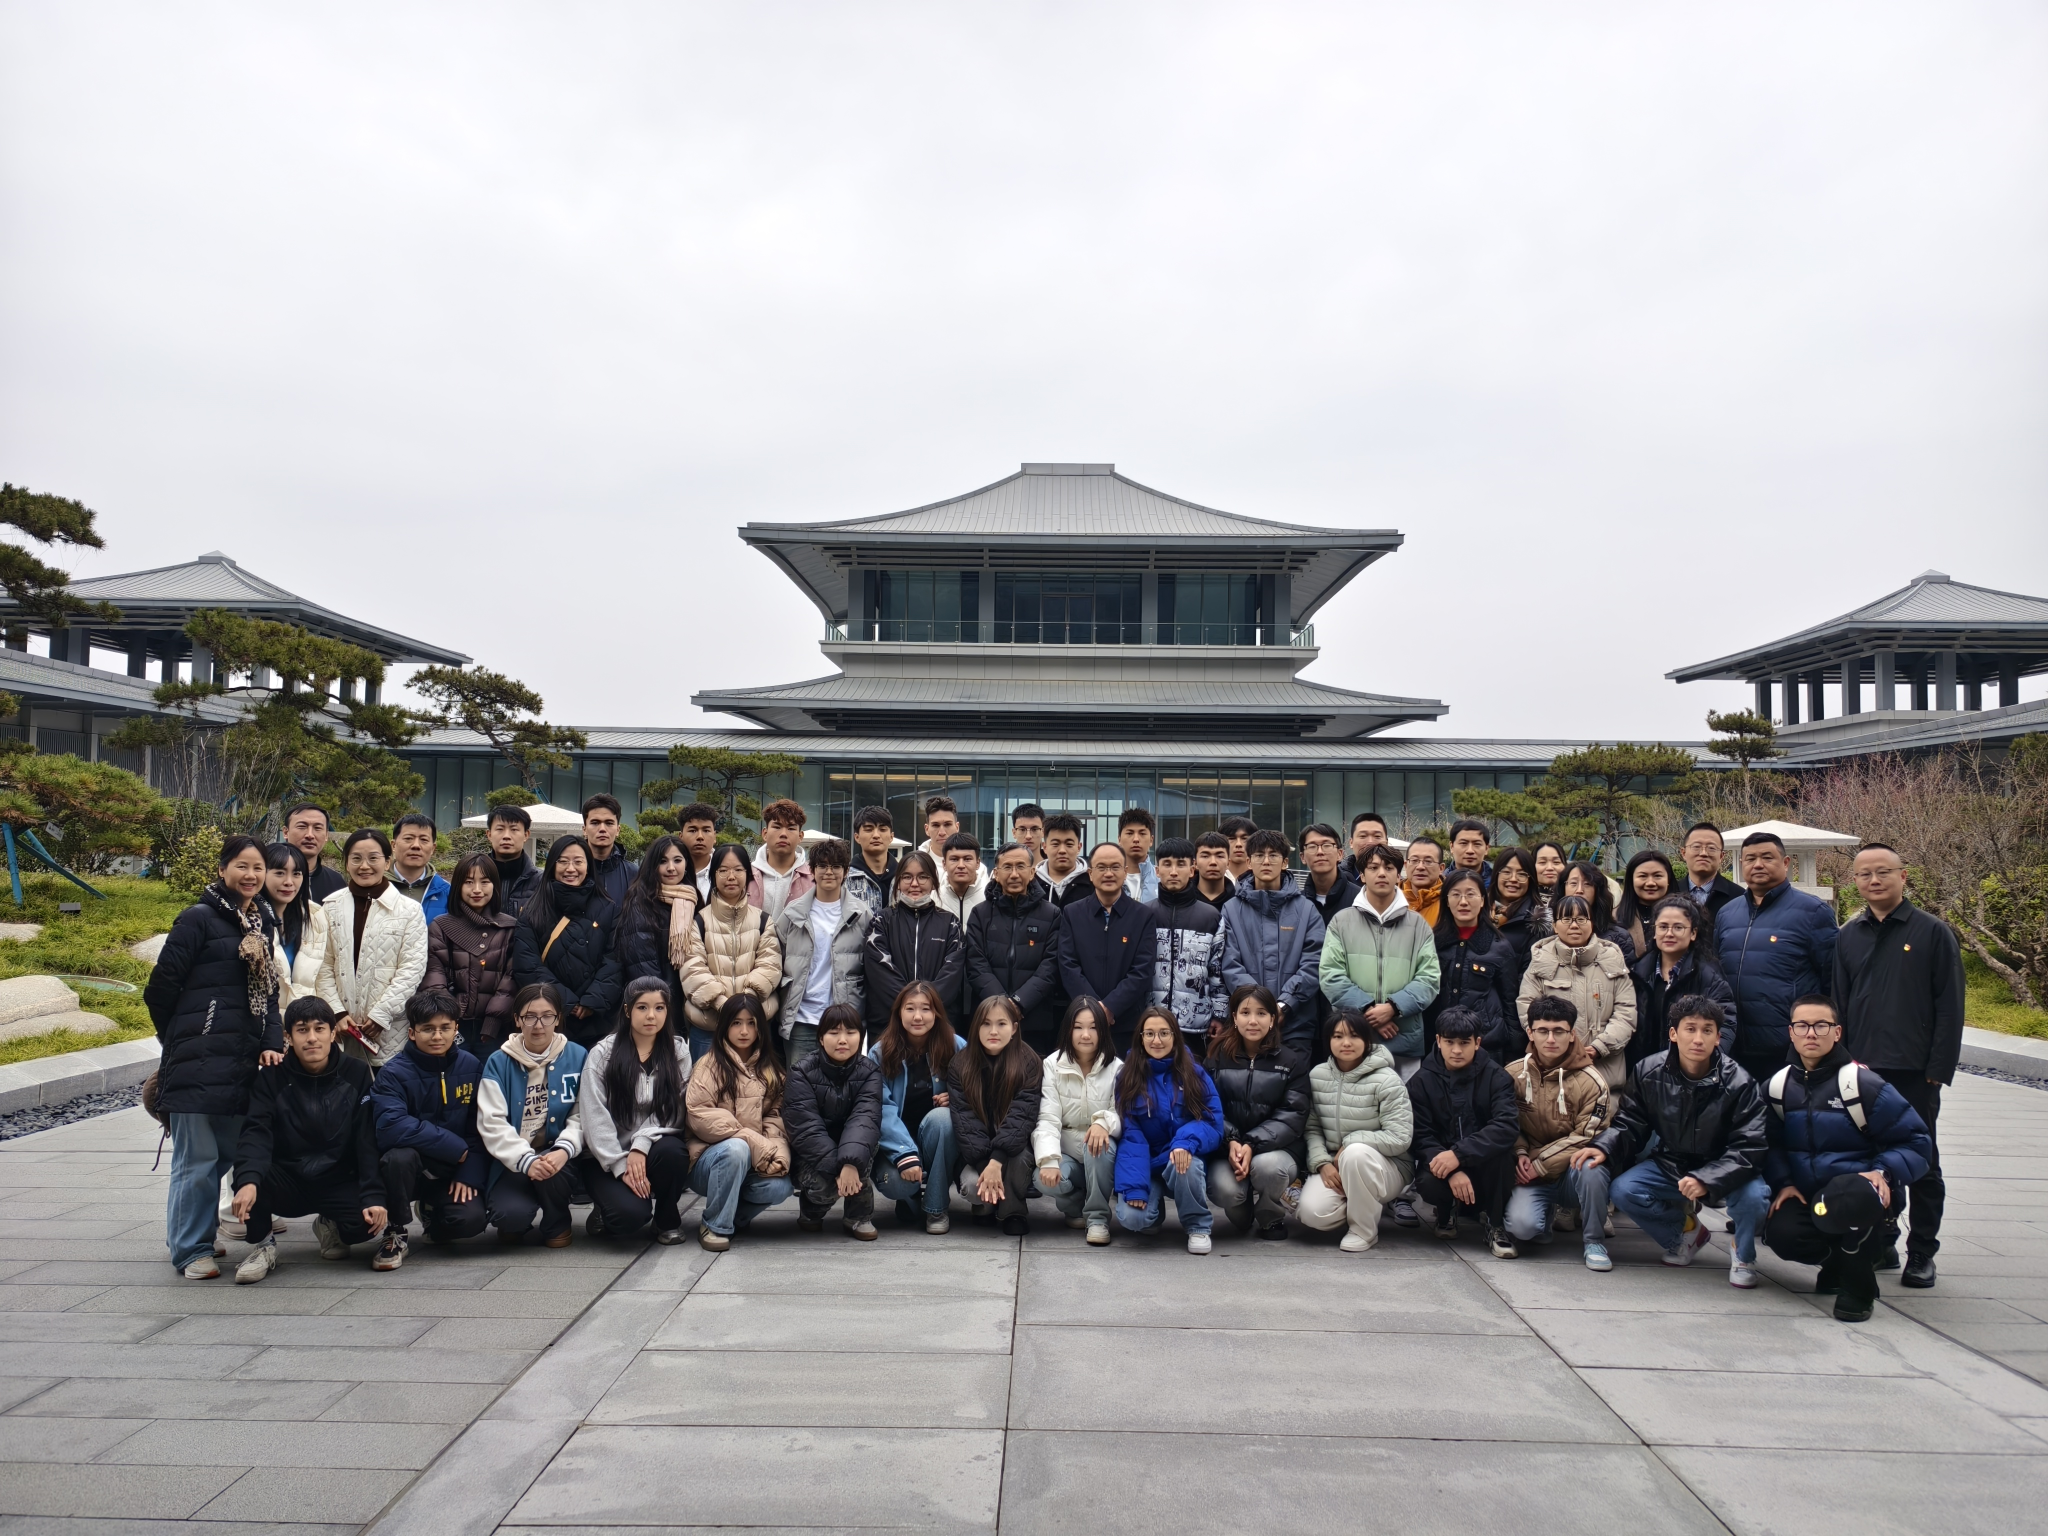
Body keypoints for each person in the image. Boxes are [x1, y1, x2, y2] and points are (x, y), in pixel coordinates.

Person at [146, 835, 286, 1278]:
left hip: (241, 1058)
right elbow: (160, 989)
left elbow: (269, 991)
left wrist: (272, 1039)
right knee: (197, 1159)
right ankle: (192, 1250)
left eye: (258, 868)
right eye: (242, 866)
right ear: (223, 869)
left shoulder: (260, 921)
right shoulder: (198, 918)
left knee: (226, 1152)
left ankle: (189, 1231)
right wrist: (184, 1037)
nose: (251, 875)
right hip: (199, 1058)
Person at [1834, 841, 1965, 1289]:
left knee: (1922, 1161)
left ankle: (1922, 1250)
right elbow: (1839, 1002)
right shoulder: (1849, 935)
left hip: (1914, 1071)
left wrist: (1938, 1070)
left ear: (1903, 876)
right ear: (1855, 880)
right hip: (1862, 1070)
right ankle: (1884, 1239)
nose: (1874, 880)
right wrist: (1841, 1063)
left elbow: (1950, 1006)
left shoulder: (1932, 932)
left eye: (1883, 872)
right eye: (1864, 874)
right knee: (1871, 1159)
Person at [1577, 994, 1772, 1286]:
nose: (1698, 1039)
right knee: (1624, 1190)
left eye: (1707, 1030)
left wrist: (1707, 1178)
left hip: (1727, 1166)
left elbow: (1750, 1147)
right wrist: (1604, 1146)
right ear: (1673, 1033)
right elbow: (1630, 1123)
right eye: (1690, 1028)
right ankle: (1686, 1233)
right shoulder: (1648, 1071)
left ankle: (1743, 1253)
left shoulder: (1740, 1082)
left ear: (1718, 1038)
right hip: (1673, 1162)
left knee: (1755, 1198)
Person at [1764, 995, 1933, 1321]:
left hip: (1863, 1195)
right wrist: (1783, 1183)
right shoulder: (1777, 1087)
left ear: (1837, 1032)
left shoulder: (1862, 1085)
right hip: (1812, 1198)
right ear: (1791, 1032)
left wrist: (1884, 1171)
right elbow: (1769, 1145)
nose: (1811, 1033)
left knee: (1853, 1198)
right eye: (1802, 1025)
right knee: (1781, 1233)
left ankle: (1859, 1288)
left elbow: (1918, 1141)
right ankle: (1839, 1263)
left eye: (1821, 1025)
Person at [228, 997, 387, 1283]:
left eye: (319, 1029)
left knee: (366, 1226)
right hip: (288, 1180)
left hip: (338, 1177)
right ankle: (264, 1246)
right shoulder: (271, 1078)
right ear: (288, 1037)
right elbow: (256, 1133)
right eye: (302, 1030)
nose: (312, 1038)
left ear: (332, 1033)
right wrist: (248, 1181)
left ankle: (330, 1223)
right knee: (250, 1178)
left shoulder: (356, 1072)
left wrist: (374, 1197)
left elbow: (366, 1139)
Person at [369, 989, 489, 1270]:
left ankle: (432, 1214)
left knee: (470, 1221)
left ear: (456, 1029)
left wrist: (468, 1173)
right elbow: (390, 1126)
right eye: (428, 1029)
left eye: (445, 1028)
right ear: (412, 1033)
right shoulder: (393, 1073)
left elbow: (480, 1126)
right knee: (398, 1157)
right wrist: (453, 1146)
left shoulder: (471, 1066)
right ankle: (395, 1231)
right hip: (410, 1167)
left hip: (453, 1167)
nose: (437, 1036)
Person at [1716, 830, 1839, 1084]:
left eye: (1767, 857)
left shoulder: (1813, 912)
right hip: (1733, 1045)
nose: (1758, 864)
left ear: (1785, 863)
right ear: (1741, 864)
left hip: (1787, 1048)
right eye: (1750, 859)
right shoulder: (1727, 913)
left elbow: (1832, 979)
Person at [1503, 997, 1615, 1270]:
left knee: (1591, 1165)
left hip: (1570, 1173)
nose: (1551, 1039)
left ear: (1572, 1034)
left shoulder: (1592, 1082)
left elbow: (1585, 1137)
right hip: (1531, 1171)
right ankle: (1543, 1220)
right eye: (1542, 1030)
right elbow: (1506, 1123)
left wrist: (1538, 1163)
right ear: (1530, 1032)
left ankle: (1594, 1242)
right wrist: (1520, 1152)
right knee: (1522, 1228)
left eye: (1559, 1031)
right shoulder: (1513, 1073)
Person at [1319, 843, 1441, 1087]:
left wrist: (1393, 1008)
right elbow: (1330, 976)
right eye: (1373, 868)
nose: (1381, 873)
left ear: (1399, 874)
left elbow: (1429, 979)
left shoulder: (1417, 925)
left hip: (1404, 1039)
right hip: (1352, 1036)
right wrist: (1369, 1009)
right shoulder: (1342, 922)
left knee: (1402, 1106)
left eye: (1388, 867)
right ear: (1362, 875)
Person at [583, 978, 694, 1244]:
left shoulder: (678, 1051)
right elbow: (594, 1116)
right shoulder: (603, 1054)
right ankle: (604, 1208)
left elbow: (674, 1110)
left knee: (674, 1152)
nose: (651, 1016)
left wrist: (640, 1146)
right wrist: (621, 1165)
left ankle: (666, 1220)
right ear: (627, 1010)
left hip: (652, 1148)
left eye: (659, 1008)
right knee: (628, 1218)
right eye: (642, 1007)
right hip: (606, 1157)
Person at [478, 983, 588, 1247]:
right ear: (517, 1019)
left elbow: (583, 1114)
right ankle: (520, 1211)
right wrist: (526, 1160)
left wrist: (563, 1149)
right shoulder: (498, 1062)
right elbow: (492, 1122)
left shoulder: (578, 1056)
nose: (538, 1025)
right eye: (529, 1016)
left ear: (558, 1018)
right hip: (515, 1157)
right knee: (509, 1220)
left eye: (547, 1016)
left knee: (553, 1169)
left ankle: (557, 1221)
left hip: (558, 1154)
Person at [1407, 1005, 1522, 1256]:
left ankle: (1495, 1223)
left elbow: (1505, 1126)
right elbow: (1420, 1135)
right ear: (1438, 1040)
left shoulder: (1497, 1077)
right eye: (1449, 1042)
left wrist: (1459, 1155)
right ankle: (1446, 1212)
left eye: (1464, 1042)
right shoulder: (1421, 1081)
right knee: (1428, 1181)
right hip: (1442, 1162)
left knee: (1503, 1157)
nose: (1456, 1050)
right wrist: (1451, 1169)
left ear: (1477, 1043)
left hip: (1483, 1162)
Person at [1297, 1007, 1413, 1252]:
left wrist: (1351, 1141)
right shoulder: (1317, 1075)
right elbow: (1312, 1128)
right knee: (1312, 1213)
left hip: (1387, 1167)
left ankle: (1363, 1231)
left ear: (1367, 1039)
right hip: (1336, 1165)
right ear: (1328, 1040)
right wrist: (1322, 1163)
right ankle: (1364, 1204)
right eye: (1338, 1036)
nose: (1346, 1043)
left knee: (1356, 1154)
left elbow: (1400, 1137)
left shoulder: (1387, 1079)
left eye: (1354, 1035)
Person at [1112, 1005, 1225, 1253]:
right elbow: (1131, 1134)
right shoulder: (1127, 1076)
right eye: (1149, 1034)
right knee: (1133, 1220)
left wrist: (1185, 1142)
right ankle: (1153, 1215)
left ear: (1175, 1036)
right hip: (1149, 1164)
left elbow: (1212, 1122)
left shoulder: (1194, 1073)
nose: (1157, 1040)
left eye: (1164, 1033)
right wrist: (1135, 1186)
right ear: (1140, 1038)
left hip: (1181, 1160)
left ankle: (1197, 1226)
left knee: (1186, 1163)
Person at [315, 829, 430, 1070]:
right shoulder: (330, 906)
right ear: (346, 863)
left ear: (387, 862)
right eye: (356, 858)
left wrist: (381, 1014)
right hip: (341, 1031)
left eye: (373, 858)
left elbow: (412, 969)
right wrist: (336, 1012)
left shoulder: (409, 910)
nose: (364, 866)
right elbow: (323, 965)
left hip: (389, 1033)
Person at [685, 992, 791, 1249]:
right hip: (707, 1162)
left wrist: (775, 1154)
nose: (744, 1031)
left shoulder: (772, 1071)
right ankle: (714, 1226)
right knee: (736, 1148)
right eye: (736, 1023)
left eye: (751, 1023)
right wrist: (749, 1138)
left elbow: (776, 1119)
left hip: (753, 1160)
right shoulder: (708, 1066)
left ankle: (733, 1216)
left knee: (780, 1187)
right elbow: (699, 1115)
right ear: (725, 1026)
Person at [1205, 983, 1308, 1240]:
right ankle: (1242, 1210)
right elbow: (1206, 1107)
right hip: (1227, 1149)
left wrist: (1251, 1143)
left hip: (1276, 1150)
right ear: (1234, 1018)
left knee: (1269, 1168)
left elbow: (1292, 1115)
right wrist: (1231, 1141)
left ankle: (1270, 1217)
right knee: (1226, 1191)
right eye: (1245, 1013)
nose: (1253, 1021)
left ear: (1273, 1019)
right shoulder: (1216, 1058)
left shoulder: (1291, 1061)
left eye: (1261, 1013)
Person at [511, 834, 624, 1050]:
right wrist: (565, 1002)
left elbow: (615, 960)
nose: (570, 868)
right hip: (549, 1019)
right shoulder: (533, 910)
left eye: (578, 861)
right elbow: (527, 965)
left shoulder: (608, 908)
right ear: (552, 865)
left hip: (598, 1020)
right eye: (563, 861)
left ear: (588, 866)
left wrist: (592, 1000)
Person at [1516, 894, 1636, 1092]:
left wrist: (1600, 1047)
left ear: (1592, 923)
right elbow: (1527, 1008)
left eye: (1581, 919)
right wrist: (1555, 1042)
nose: (1574, 925)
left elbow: (1626, 1012)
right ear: (1554, 926)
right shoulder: (1540, 961)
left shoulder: (1612, 959)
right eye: (1566, 919)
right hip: (1553, 1068)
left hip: (1604, 1072)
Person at [784, 1002, 883, 1239]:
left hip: (853, 1148)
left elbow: (864, 1119)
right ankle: (811, 1210)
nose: (842, 1040)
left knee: (865, 1146)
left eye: (850, 1032)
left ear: (860, 1037)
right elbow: (806, 1130)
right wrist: (840, 1168)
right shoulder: (801, 1072)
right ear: (820, 1038)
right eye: (834, 1032)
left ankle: (858, 1216)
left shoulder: (870, 1071)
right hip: (811, 1153)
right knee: (824, 1188)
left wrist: (850, 1164)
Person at [1219, 829, 1325, 1051]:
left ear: (1285, 862)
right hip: (1246, 1027)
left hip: (1295, 1025)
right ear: (1249, 862)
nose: (1266, 861)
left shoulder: (1307, 910)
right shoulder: (1231, 909)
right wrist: (1258, 1008)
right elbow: (1230, 963)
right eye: (1259, 855)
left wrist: (1284, 1004)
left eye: (1273, 855)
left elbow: (1314, 963)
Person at [870, 981, 962, 1233]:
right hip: (896, 1142)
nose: (918, 1016)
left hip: (938, 1139)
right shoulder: (880, 1052)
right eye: (910, 1008)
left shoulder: (956, 1046)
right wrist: (904, 1153)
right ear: (899, 1013)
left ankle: (936, 1206)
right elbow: (879, 1107)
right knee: (896, 1184)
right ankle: (909, 1199)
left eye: (926, 1009)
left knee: (942, 1118)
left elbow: (977, 1091)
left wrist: (956, 1097)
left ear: (937, 1013)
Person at [949, 996, 1043, 1235]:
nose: (993, 1031)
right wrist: (986, 1166)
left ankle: (1013, 1211)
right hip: (975, 1153)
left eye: (1001, 1024)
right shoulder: (960, 1064)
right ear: (976, 1027)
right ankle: (985, 1207)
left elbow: (1022, 1116)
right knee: (973, 1186)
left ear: (1014, 1028)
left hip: (1014, 1149)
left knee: (1020, 1160)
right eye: (986, 1023)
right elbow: (965, 1122)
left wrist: (997, 1161)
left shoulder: (1029, 1061)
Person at [680, 842, 781, 1060]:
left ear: (748, 874)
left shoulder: (763, 921)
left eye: (738, 870)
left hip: (753, 1026)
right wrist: (722, 1004)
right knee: (705, 1081)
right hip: (708, 1026)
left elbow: (770, 966)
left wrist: (744, 1005)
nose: (731, 877)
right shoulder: (698, 921)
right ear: (713, 875)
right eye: (723, 870)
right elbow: (692, 969)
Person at [1033, 995, 1122, 1245]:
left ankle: (1097, 1218)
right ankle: (1075, 1208)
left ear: (1103, 1030)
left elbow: (1123, 1114)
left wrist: (1103, 1122)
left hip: (1101, 1154)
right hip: (1067, 1151)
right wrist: (1049, 1159)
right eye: (1078, 1027)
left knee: (1099, 1146)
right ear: (1068, 1030)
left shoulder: (1117, 1067)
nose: (1086, 1035)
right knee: (1041, 1177)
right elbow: (1048, 1117)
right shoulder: (1052, 1065)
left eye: (1093, 1027)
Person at [1056, 842, 1159, 1053]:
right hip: (1082, 1022)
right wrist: (1092, 1008)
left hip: (1126, 1023)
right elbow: (1067, 965)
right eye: (1101, 867)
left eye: (1115, 867)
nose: (1109, 873)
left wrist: (1111, 1006)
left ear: (1125, 871)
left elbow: (1143, 969)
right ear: (1090, 873)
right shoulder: (1072, 913)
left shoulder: (1143, 916)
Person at [965, 841, 1065, 1055]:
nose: (1014, 874)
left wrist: (1019, 1003)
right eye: (1007, 867)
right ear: (995, 873)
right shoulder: (980, 914)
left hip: (1034, 1019)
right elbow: (975, 964)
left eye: (1020, 866)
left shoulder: (1052, 914)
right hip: (988, 1018)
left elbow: (1050, 966)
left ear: (1032, 872)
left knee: (1031, 1072)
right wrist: (1001, 1005)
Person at [775, 837, 868, 1066]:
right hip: (801, 1018)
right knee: (799, 1083)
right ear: (812, 870)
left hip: (843, 1020)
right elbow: (776, 958)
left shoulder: (862, 915)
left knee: (843, 1083)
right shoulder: (792, 913)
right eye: (822, 866)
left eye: (836, 866)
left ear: (845, 871)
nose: (829, 872)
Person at [424, 852, 520, 1057]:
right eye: (468, 882)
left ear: (495, 886)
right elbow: (434, 974)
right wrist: (447, 1016)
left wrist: (493, 1020)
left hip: (496, 1028)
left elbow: (511, 978)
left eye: (484, 882)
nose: (477, 889)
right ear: (458, 886)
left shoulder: (510, 927)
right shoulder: (441, 925)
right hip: (452, 1025)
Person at [864, 849, 966, 1036]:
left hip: (938, 1024)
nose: (914, 884)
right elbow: (879, 972)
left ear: (934, 882)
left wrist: (926, 1008)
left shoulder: (950, 923)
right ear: (898, 882)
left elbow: (952, 973)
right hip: (889, 1025)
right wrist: (909, 1007)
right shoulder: (881, 921)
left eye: (923, 877)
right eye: (907, 877)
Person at [1427, 869, 1521, 1065]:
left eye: (1470, 894)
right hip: (1439, 1042)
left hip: (1486, 1044)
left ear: (1483, 900)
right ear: (1446, 901)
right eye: (1455, 894)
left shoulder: (1499, 946)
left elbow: (1511, 1002)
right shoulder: (1433, 943)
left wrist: (1515, 1050)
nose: (1463, 902)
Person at [1631, 895, 1735, 1071]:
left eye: (1678, 927)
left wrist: (1702, 1067)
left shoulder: (1709, 977)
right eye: (1663, 927)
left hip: (1690, 1073)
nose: (1669, 933)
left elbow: (1725, 1025)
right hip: (1643, 1072)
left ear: (1693, 933)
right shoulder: (1636, 973)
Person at [1147, 836, 1229, 1056]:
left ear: (1192, 870)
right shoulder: (1145, 914)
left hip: (1195, 1024)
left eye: (1181, 864)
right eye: (1167, 864)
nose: (1174, 872)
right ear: (1157, 870)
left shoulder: (1210, 916)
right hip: (1151, 1022)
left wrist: (1219, 1014)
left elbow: (1217, 970)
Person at [613, 834, 698, 1028]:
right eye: (663, 861)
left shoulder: (691, 900)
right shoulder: (640, 903)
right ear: (652, 866)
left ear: (686, 864)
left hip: (689, 1004)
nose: (671, 868)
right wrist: (662, 1007)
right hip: (659, 1008)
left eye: (677, 860)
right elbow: (643, 966)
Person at [263, 842, 327, 1003]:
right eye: (280, 873)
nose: (289, 882)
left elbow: (323, 976)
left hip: (304, 1016)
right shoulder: (249, 920)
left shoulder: (315, 916)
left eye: (297, 874)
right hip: (265, 1016)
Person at [1488, 847, 1548, 991]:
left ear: (1530, 879)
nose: (1513, 879)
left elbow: (1530, 978)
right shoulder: (1477, 910)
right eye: (1506, 872)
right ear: (1496, 874)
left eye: (1522, 874)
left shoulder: (1537, 923)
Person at [748, 798, 813, 923]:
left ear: (800, 836)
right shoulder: (747, 875)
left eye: (791, 828)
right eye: (777, 827)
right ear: (765, 833)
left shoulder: (813, 877)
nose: (783, 834)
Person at [1563, 860, 1634, 965]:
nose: (1579, 890)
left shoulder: (1619, 937)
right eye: (1573, 883)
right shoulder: (1551, 934)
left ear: (1597, 890)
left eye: (1587, 884)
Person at [1295, 822, 1360, 927]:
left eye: (1327, 845)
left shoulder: (1359, 900)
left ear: (1339, 854)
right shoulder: (1295, 903)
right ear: (1302, 857)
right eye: (1312, 846)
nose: (1320, 852)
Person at [578, 795, 638, 908]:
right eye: (595, 823)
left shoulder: (634, 874)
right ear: (584, 829)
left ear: (618, 830)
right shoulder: (570, 872)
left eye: (609, 823)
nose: (602, 829)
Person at [388, 813, 449, 922]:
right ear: (393, 845)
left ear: (433, 848)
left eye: (424, 840)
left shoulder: (447, 891)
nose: (416, 845)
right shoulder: (376, 886)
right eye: (408, 838)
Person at [1616, 850, 1676, 962]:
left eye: (1657, 876)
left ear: (1668, 879)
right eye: (1643, 876)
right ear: (1631, 880)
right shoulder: (1613, 917)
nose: (1650, 883)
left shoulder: (1686, 916)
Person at [485, 804, 544, 916]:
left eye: (514, 829)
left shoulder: (543, 881)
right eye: (500, 829)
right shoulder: (473, 878)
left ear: (526, 835)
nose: (506, 836)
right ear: (489, 834)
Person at [1681, 822, 1745, 919]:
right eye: (1696, 847)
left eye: (1711, 848)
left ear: (1721, 856)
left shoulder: (1739, 896)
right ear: (1683, 853)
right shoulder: (1670, 892)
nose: (1703, 853)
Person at [284, 801, 345, 902]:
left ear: (326, 835)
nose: (310, 835)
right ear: (286, 832)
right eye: (302, 826)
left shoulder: (336, 882)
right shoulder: (266, 876)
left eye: (317, 828)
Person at [846, 804, 900, 911]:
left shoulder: (904, 876)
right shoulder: (845, 878)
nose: (876, 835)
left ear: (891, 837)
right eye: (868, 829)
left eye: (882, 829)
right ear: (857, 837)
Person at [1033, 813, 1092, 910]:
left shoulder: (1092, 882)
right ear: (1045, 847)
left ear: (1079, 847)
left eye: (1069, 844)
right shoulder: (1031, 883)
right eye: (1055, 844)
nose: (1062, 851)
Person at [936, 831, 988, 926]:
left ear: (977, 863)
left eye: (967, 859)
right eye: (954, 859)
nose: (961, 865)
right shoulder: (934, 899)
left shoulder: (989, 899)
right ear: (944, 864)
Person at [674, 803, 723, 900]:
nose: (700, 836)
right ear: (681, 836)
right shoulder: (669, 870)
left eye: (706, 831)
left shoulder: (725, 870)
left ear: (714, 836)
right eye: (693, 831)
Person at [1401, 835, 1445, 929]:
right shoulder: (1390, 899)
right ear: (1406, 865)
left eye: (1428, 861)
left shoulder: (1450, 902)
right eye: (1414, 860)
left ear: (1441, 868)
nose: (1420, 867)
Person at [1118, 808, 1158, 902]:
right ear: (1119, 839)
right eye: (1130, 833)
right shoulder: (1110, 878)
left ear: (1151, 840)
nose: (1136, 839)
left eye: (1142, 833)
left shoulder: (1162, 879)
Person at [1338, 811, 1388, 883]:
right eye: (1363, 836)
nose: (1370, 842)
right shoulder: (1335, 880)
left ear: (1386, 842)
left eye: (1377, 836)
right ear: (1351, 843)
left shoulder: (1399, 884)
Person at [1193, 830, 1234, 911]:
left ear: (1228, 863)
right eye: (1205, 856)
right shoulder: (1182, 901)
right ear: (1195, 863)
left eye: (1220, 856)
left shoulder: (1239, 901)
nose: (1213, 862)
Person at [1531, 841, 1568, 924]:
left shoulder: (1575, 898)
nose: (1550, 868)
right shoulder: (1522, 900)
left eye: (1556, 862)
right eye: (1542, 862)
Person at [919, 796, 961, 865]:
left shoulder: (975, 868)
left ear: (957, 827)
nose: (942, 833)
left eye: (947, 824)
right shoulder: (915, 865)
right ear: (927, 829)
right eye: (936, 825)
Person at [1218, 815, 1257, 886]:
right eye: (1231, 838)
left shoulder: (1262, 878)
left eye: (1244, 838)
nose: (1238, 844)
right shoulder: (1213, 877)